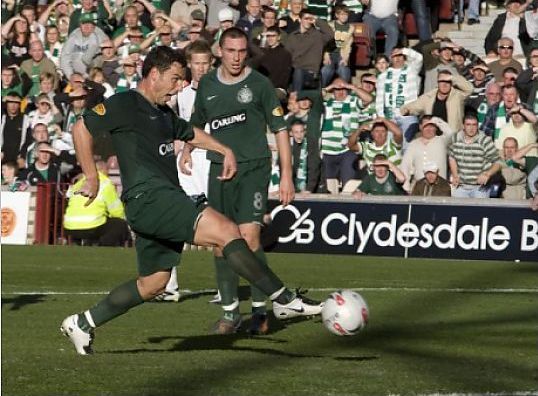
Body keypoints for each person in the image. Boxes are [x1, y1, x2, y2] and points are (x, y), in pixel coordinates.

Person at [60, 45, 322, 355]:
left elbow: (190, 133)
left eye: (182, 80)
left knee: (154, 283)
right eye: (174, 79)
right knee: (226, 231)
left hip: (153, 202)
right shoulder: (126, 103)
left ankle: (83, 322)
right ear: (153, 74)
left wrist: (224, 150)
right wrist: (91, 176)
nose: (179, 86)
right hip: (151, 198)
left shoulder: (162, 112)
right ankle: (284, 299)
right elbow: (81, 128)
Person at [184, 28, 308, 335]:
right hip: (219, 169)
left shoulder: (260, 85)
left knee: (250, 238)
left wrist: (288, 175)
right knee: (219, 242)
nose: (237, 57)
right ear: (220, 52)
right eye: (231, 51)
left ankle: (259, 311)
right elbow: (197, 124)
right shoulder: (209, 84)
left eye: (242, 51)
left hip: (254, 169)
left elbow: (280, 130)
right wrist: (187, 149)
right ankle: (230, 314)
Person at [64, 160, 131, 246]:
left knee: (102, 222)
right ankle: (106, 248)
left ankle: (83, 243)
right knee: (119, 224)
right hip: (91, 225)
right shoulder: (106, 183)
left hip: (70, 225)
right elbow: (117, 211)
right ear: (104, 170)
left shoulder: (80, 182)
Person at [448, 113, 503, 198]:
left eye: (474, 125)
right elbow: (452, 157)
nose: (471, 128)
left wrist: (487, 174)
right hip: (460, 186)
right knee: (458, 211)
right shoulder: (455, 138)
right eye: (468, 124)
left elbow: (498, 162)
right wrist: (455, 175)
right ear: (463, 126)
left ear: (478, 126)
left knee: (479, 211)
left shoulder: (485, 140)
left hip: (480, 188)